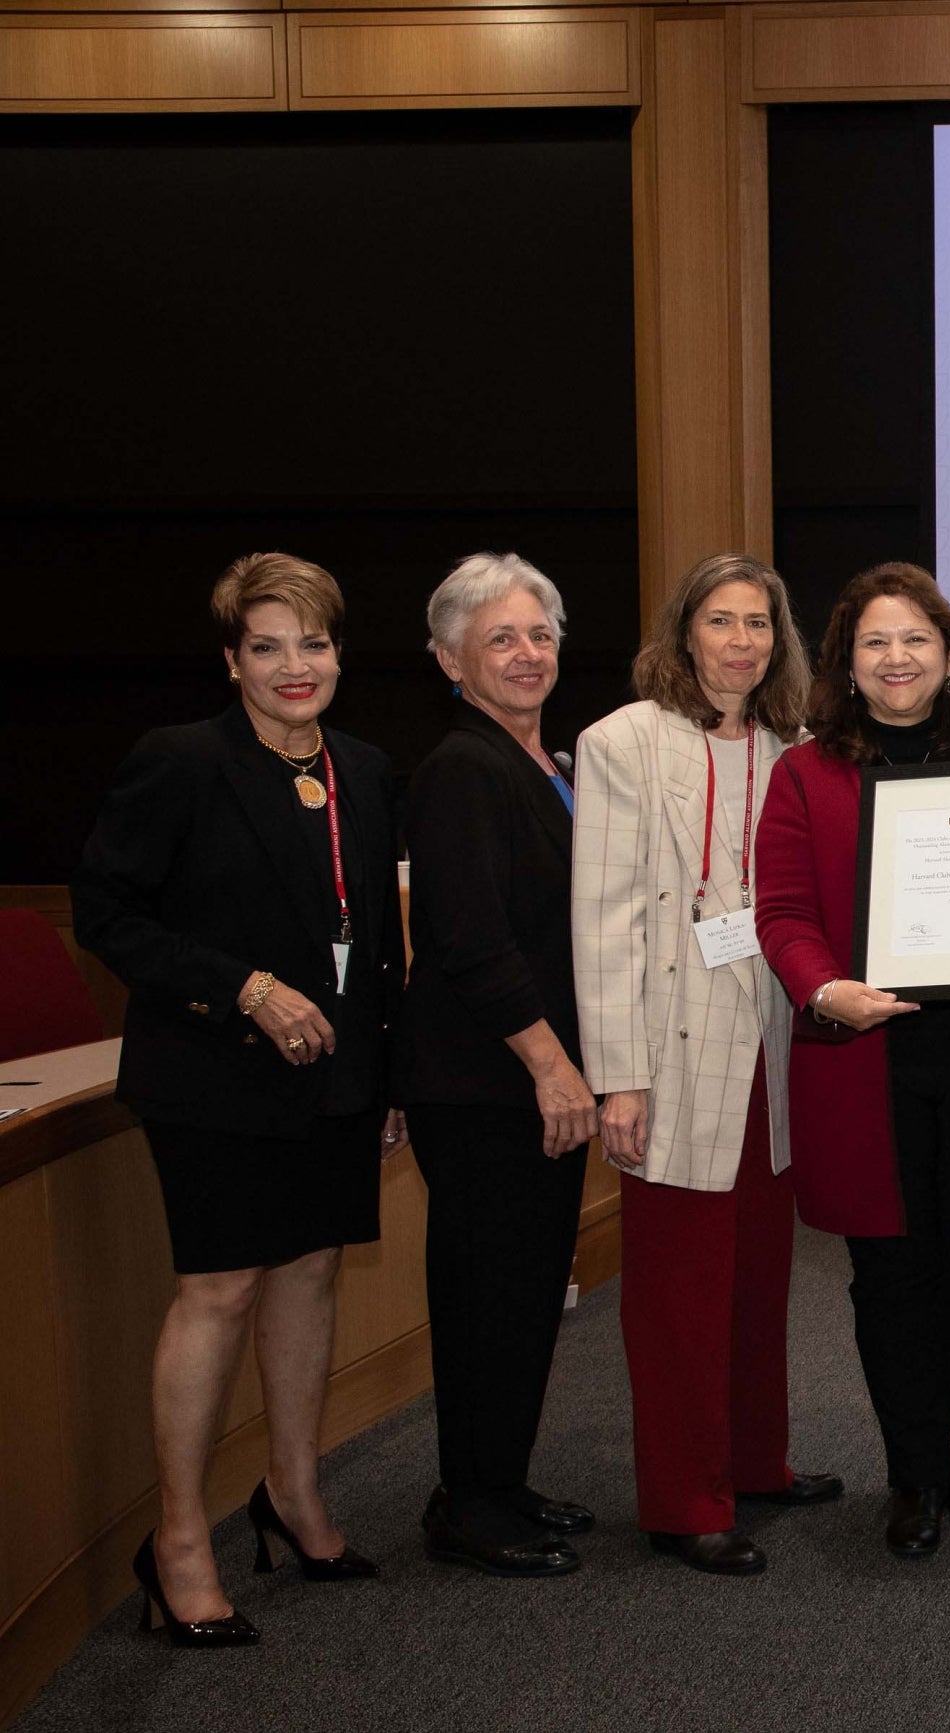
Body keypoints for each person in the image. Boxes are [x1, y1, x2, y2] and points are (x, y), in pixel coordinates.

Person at [74, 554, 403, 1645]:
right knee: (218, 1291)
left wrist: (385, 1070)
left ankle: (293, 1494)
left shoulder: (363, 766)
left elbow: (373, 939)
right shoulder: (181, 764)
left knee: (310, 1270)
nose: (293, 666)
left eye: (312, 643)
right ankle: (177, 1541)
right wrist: (245, 989)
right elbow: (107, 912)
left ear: (339, 653)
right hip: (213, 1071)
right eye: (266, 646)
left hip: (337, 1074)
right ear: (231, 659)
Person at [573, 554, 844, 1577]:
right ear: (684, 632)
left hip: (772, 1044)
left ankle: (754, 1459)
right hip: (670, 1047)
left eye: (759, 623)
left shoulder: (795, 745)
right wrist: (618, 1075)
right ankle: (683, 1498)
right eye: (720, 620)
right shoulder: (620, 742)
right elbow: (600, 921)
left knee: (759, 1274)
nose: (741, 641)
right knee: (679, 1287)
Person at [755, 562, 950, 1561]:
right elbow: (781, 913)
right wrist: (826, 990)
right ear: (845, 665)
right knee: (886, 1275)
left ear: (949, 656)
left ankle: (934, 1449)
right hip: (861, 1060)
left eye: (916, 639)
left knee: (948, 1269)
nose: (896, 657)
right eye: (875, 642)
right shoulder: (804, 771)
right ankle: (910, 1475)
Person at [398, 551, 601, 1578]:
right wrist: (552, 1067)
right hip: (489, 1085)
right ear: (449, 659)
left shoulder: (548, 765)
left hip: (529, 1078)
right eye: (499, 640)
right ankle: (469, 1502)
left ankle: (499, 1479)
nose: (526, 654)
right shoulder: (461, 770)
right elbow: (471, 939)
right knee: (486, 1293)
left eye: (538, 633)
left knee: (524, 1291)